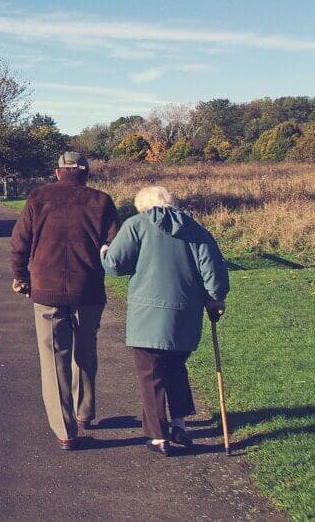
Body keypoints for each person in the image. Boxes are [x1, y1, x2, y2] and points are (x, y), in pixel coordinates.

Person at [102, 186, 229, 456]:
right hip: (185, 316)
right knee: (175, 367)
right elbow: (213, 271)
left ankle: (158, 436)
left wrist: (104, 251)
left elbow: (115, 265)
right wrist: (216, 299)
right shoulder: (196, 229)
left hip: (147, 317)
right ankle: (179, 423)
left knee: (151, 375)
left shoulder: (136, 225)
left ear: (143, 207)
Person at [10, 151, 121, 450]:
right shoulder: (102, 201)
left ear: (58, 172)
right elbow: (115, 245)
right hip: (88, 290)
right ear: (85, 172)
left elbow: (19, 241)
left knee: (53, 360)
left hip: (46, 289)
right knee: (85, 351)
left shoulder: (38, 198)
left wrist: (20, 276)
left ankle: (65, 430)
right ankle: (85, 412)